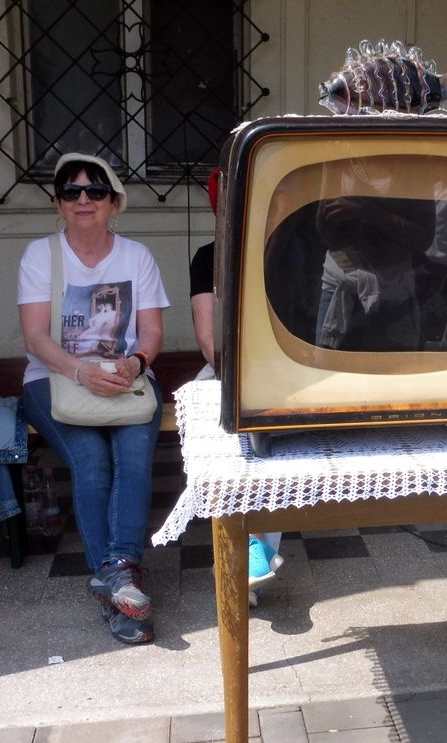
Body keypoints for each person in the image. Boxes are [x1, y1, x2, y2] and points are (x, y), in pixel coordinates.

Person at [18, 153, 169, 645]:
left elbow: (151, 332)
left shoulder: (136, 256)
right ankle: (121, 582)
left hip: (125, 378)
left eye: (95, 190)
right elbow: (36, 337)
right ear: (58, 202)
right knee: (92, 462)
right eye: (71, 190)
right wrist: (80, 369)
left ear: (113, 202)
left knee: (134, 459)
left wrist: (137, 362)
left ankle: (117, 575)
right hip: (53, 378)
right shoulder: (40, 255)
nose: (83, 199)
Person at [189, 169, 283, 605]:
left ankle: (253, 550)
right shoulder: (207, 258)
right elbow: (211, 345)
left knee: (277, 450)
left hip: (282, 372)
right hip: (228, 374)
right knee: (219, 424)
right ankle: (248, 547)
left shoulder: (286, 249)